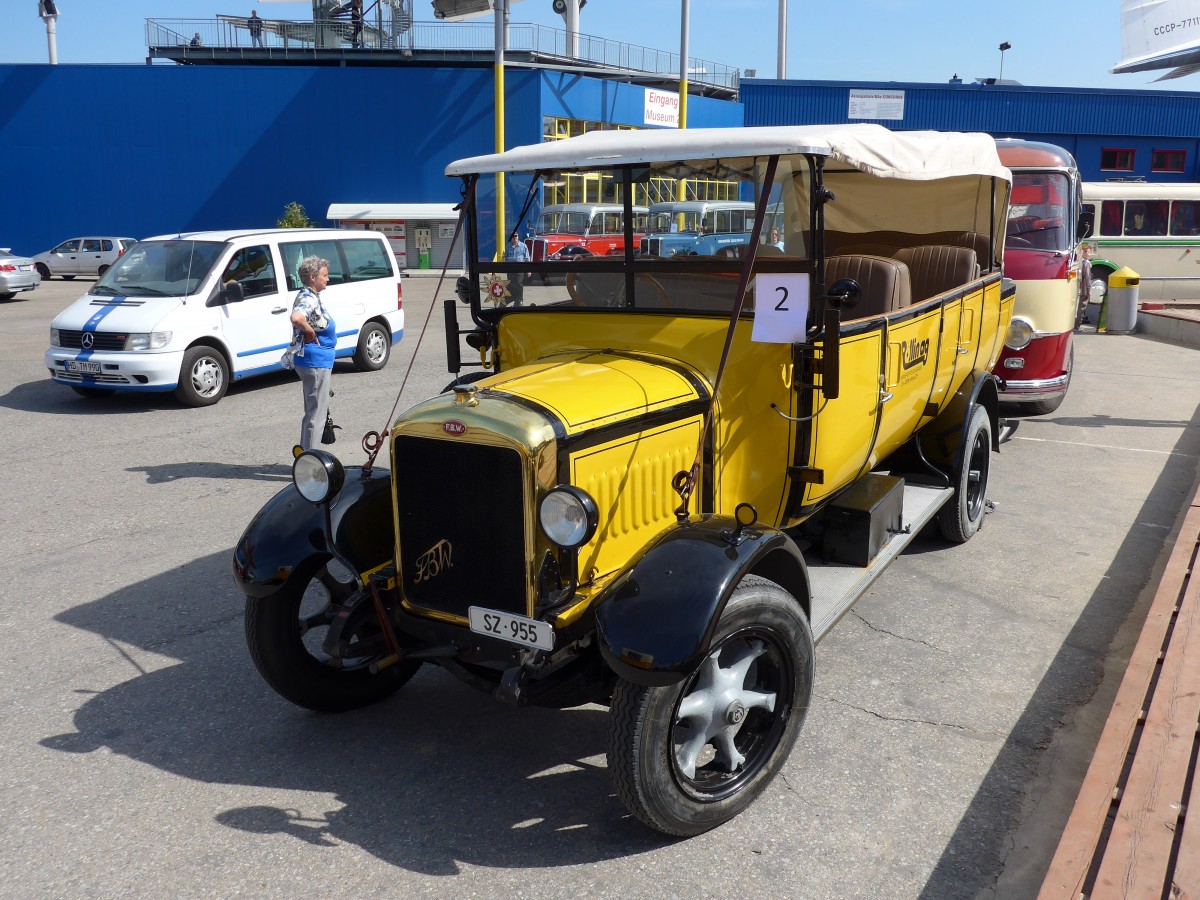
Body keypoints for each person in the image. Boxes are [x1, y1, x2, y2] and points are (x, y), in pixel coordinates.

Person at [288, 255, 337, 450]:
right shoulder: (308, 297)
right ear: (312, 278)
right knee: (316, 415)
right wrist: (308, 330)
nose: (328, 278)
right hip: (315, 362)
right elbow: (296, 317)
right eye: (324, 275)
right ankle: (309, 462)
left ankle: (306, 456)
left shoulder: (312, 296)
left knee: (313, 412)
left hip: (316, 361)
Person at [505, 232, 530, 305]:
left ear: (518, 237)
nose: (515, 237)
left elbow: (527, 258)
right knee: (511, 285)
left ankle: (519, 300)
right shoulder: (508, 246)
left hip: (520, 269)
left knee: (518, 284)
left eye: (516, 236)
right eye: (513, 236)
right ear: (511, 238)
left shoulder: (523, 246)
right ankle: (513, 300)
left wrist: (529, 270)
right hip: (510, 270)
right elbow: (505, 258)